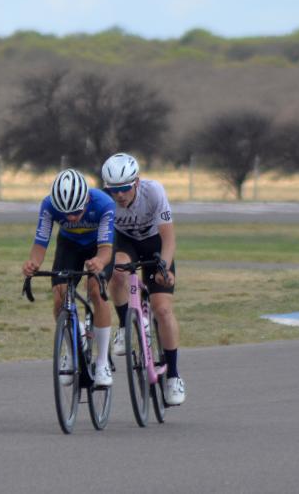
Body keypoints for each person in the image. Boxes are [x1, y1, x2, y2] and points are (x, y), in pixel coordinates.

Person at [102, 152, 185, 406]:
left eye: (125, 188)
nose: (119, 195)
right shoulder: (104, 201)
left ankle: (173, 375)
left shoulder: (154, 192)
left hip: (154, 244)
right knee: (117, 272)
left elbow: (168, 238)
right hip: (126, 243)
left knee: (162, 309)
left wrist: (165, 266)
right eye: (113, 190)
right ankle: (126, 325)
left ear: (136, 182)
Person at [22, 169, 116, 387]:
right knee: (60, 296)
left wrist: (99, 263)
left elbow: (106, 249)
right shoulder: (48, 205)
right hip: (69, 245)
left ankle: (102, 362)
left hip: (98, 246)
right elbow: (41, 241)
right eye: (66, 214)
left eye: (76, 211)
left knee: (95, 290)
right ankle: (71, 350)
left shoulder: (104, 204)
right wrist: (33, 263)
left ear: (87, 200)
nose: (72, 217)